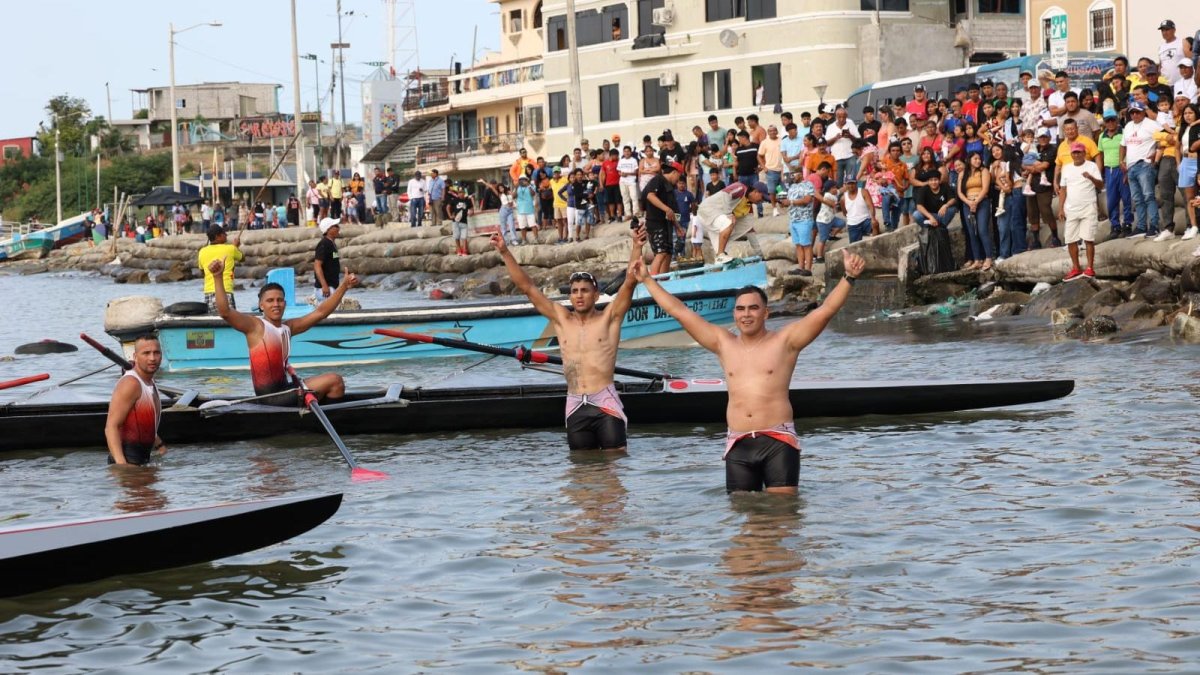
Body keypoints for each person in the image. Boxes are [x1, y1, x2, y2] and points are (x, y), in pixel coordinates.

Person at [630, 253, 865, 493]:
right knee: (743, 519)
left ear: (766, 313)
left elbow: (825, 311)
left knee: (782, 516)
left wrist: (849, 277)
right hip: (738, 443)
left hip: (778, 440)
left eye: (753, 308)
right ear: (734, 314)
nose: (746, 314)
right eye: (740, 309)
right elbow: (680, 312)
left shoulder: (786, 341)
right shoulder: (724, 343)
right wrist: (647, 280)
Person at [489, 227, 646, 452]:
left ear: (596, 294)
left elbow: (630, 282)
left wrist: (637, 246)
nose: (579, 295)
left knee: (614, 474)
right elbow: (528, 288)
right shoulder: (562, 319)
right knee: (580, 474)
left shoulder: (609, 319)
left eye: (584, 290)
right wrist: (504, 252)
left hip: (605, 402)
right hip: (575, 405)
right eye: (574, 291)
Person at [208, 257, 358, 405]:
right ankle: (330, 419)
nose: (276, 304)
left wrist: (343, 286)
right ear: (261, 306)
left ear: (285, 303)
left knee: (335, 386)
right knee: (335, 381)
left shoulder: (288, 328)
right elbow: (225, 312)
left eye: (279, 300)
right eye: (270, 301)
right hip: (271, 398)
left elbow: (321, 313)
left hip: (286, 390)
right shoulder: (255, 326)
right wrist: (217, 277)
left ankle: (323, 415)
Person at [104, 335, 165, 466]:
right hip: (127, 462)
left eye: (156, 353)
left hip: (143, 460)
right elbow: (111, 427)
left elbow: (145, 423)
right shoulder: (131, 383)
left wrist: (160, 446)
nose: (152, 358)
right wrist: (122, 466)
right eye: (146, 353)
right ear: (135, 356)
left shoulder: (149, 382)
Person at [1058, 142, 1104, 281]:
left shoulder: (1092, 166)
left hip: (1088, 207)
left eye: (1079, 152)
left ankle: (1090, 268)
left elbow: (1101, 185)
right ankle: (1076, 268)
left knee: (1088, 238)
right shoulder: (1066, 168)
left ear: (1084, 153)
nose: (1077, 155)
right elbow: (1063, 189)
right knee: (1070, 239)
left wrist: (1090, 177)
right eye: (1074, 152)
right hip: (1071, 208)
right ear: (1071, 154)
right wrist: (1060, 208)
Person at [697, 180, 769, 263]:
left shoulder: (748, 207)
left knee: (722, 257)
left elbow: (749, 229)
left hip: (714, 220)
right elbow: (726, 194)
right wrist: (729, 214)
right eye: (762, 197)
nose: (762, 201)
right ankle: (721, 255)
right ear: (756, 192)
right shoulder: (741, 188)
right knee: (729, 222)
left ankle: (720, 261)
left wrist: (760, 255)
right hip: (707, 210)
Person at [1121, 101, 1164, 238]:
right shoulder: (1128, 126)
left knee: (1148, 195)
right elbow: (1123, 145)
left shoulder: (1151, 124)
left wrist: (1155, 155)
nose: (1134, 114)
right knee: (1137, 199)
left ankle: (1154, 225)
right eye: (1132, 112)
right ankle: (1141, 226)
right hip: (1131, 166)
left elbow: (1162, 140)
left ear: (1143, 111)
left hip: (1145, 164)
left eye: (1137, 112)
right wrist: (1121, 160)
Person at [641, 162, 682, 275]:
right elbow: (650, 195)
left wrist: (678, 227)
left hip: (667, 225)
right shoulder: (658, 180)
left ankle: (664, 281)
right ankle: (652, 281)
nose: (678, 180)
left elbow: (674, 211)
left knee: (668, 254)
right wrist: (666, 209)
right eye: (678, 176)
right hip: (655, 223)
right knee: (661, 253)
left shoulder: (671, 189)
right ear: (674, 172)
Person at [914, 171, 958, 275]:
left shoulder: (945, 187)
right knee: (916, 214)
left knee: (952, 209)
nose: (934, 182)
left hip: (940, 216)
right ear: (928, 181)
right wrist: (930, 217)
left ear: (939, 180)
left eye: (936, 180)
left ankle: (938, 227)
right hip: (929, 217)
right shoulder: (923, 190)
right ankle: (933, 227)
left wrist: (945, 205)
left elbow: (953, 199)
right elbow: (919, 206)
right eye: (931, 180)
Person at [1098, 111, 1134, 237]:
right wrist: (1100, 173)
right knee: (1111, 200)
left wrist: (1127, 169)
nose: (1111, 123)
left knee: (1126, 197)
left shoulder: (1124, 133)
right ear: (1104, 122)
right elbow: (1101, 155)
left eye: (1113, 120)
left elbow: (1129, 150)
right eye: (1108, 121)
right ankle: (1115, 225)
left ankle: (1128, 223)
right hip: (1109, 170)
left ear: (1117, 120)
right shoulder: (1102, 136)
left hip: (1122, 168)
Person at [779, 170, 817, 276]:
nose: (792, 177)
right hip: (793, 219)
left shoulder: (808, 185)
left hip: (804, 219)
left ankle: (808, 269)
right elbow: (790, 201)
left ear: (800, 174)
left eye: (793, 175)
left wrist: (790, 202)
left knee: (806, 245)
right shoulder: (791, 187)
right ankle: (800, 267)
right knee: (798, 245)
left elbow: (807, 200)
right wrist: (784, 203)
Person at [197, 225, 243, 312]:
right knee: (231, 321)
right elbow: (242, 258)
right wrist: (236, 247)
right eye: (224, 233)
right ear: (217, 236)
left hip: (208, 294)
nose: (226, 235)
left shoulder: (202, 251)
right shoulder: (231, 249)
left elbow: (202, 272)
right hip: (226, 292)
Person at [314, 217, 343, 298]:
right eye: (335, 226)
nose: (338, 228)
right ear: (328, 230)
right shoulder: (324, 244)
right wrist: (324, 286)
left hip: (332, 287)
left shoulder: (332, 244)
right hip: (326, 289)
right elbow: (317, 265)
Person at [447, 183, 474, 256]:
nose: (461, 194)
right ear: (458, 193)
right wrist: (450, 215)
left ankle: (464, 250)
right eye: (459, 193)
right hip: (455, 221)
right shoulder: (454, 200)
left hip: (464, 221)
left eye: (462, 192)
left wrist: (471, 212)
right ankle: (459, 249)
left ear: (464, 193)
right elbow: (448, 207)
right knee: (456, 236)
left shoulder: (467, 200)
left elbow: (471, 209)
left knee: (464, 237)